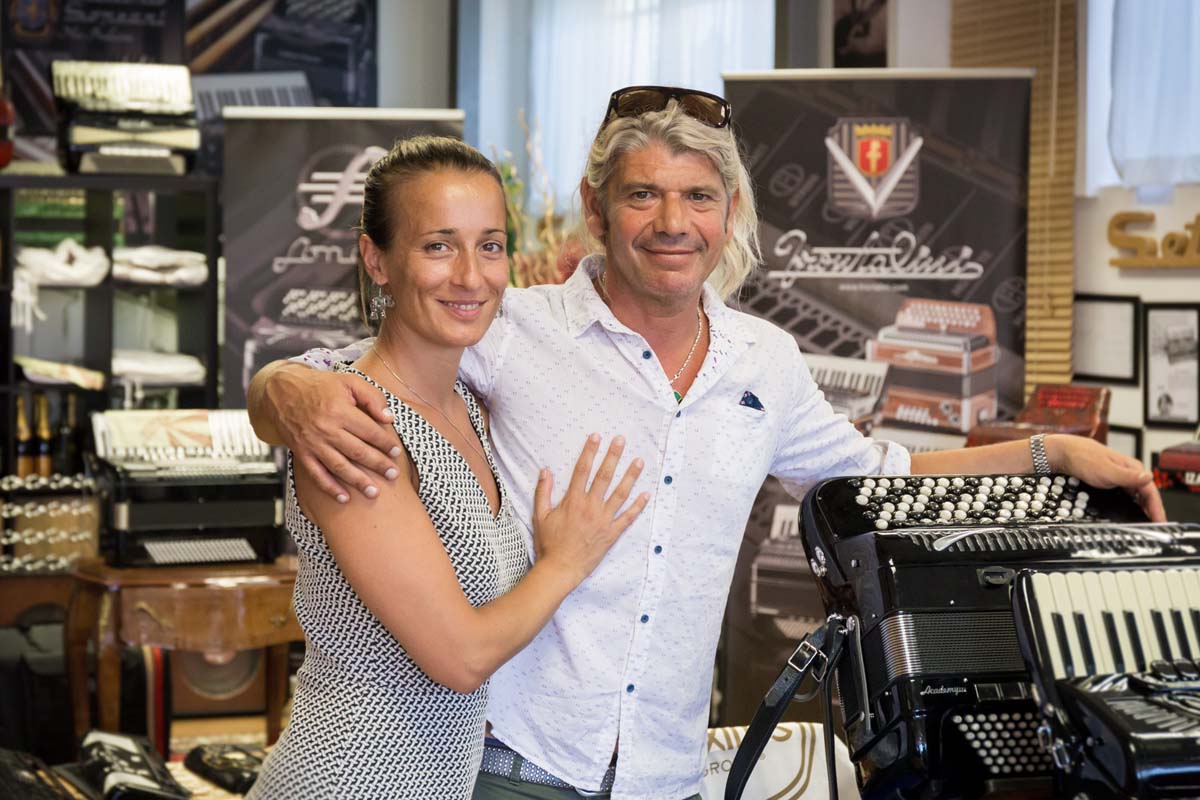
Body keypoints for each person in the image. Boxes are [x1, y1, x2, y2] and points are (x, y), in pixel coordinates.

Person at [248, 87, 1164, 800]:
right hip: (511, 763)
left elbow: (883, 474)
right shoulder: (510, 326)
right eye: (642, 194)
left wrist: (1047, 452)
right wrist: (284, 387)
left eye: (697, 196)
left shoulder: (765, 359)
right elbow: (372, 368)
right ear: (596, 208)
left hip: (668, 771)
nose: (671, 223)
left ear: (729, 212)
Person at [246, 135, 648, 800]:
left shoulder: (471, 404)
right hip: (346, 782)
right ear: (376, 259)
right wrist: (566, 562)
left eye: (489, 245)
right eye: (438, 245)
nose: (470, 276)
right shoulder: (354, 428)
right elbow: (460, 659)